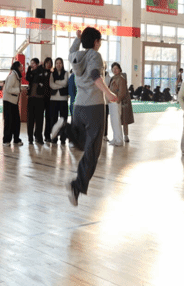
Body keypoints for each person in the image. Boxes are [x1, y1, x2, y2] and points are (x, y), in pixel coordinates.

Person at [54, 27, 119, 206]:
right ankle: (77, 186)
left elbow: (71, 51)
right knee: (92, 152)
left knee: (82, 143)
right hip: (94, 107)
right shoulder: (95, 56)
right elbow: (95, 75)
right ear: (96, 42)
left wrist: (77, 39)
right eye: (100, 41)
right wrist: (108, 93)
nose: (100, 44)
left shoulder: (76, 56)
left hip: (78, 106)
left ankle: (65, 128)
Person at [107, 62, 133, 145]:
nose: (114, 70)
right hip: (111, 102)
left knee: (117, 121)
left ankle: (119, 139)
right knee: (113, 122)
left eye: (116, 68)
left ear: (120, 69)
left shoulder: (121, 79)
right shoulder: (113, 78)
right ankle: (115, 138)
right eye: (113, 68)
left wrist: (117, 100)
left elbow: (122, 92)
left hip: (116, 102)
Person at [1, 61, 23, 144]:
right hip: (8, 101)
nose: (22, 68)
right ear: (17, 67)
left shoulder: (16, 75)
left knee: (16, 121)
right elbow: (8, 88)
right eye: (21, 66)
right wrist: (18, 90)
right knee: (9, 121)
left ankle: (16, 139)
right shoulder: (13, 76)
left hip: (13, 101)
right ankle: (6, 140)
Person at [48, 57, 68, 143]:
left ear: (62, 64)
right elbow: (51, 85)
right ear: (55, 65)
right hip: (53, 99)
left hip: (63, 99)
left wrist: (57, 82)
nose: (58, 65)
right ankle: (54, 137)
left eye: (60, 63)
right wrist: (61, 84)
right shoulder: (52, 74)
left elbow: (65, 83)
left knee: (63, 119)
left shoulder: (66, 73)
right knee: (54, 119)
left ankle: (63, 138)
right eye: (57, 63)